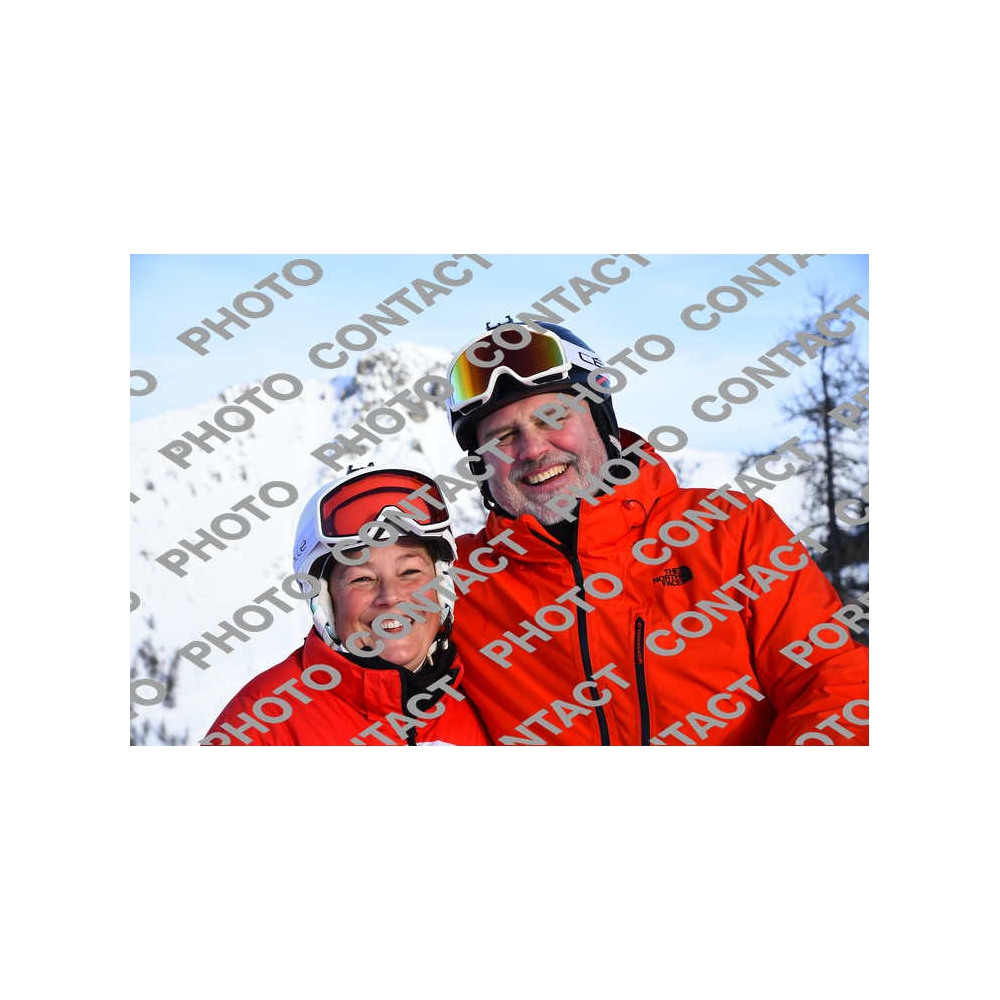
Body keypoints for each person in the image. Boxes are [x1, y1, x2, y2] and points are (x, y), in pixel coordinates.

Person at [445, 320, 869, 746]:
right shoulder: (454, 581)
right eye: (503, 437)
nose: (533, 449)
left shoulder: (729, 530)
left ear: (601, 421)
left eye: (553, 417)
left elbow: (831, 685)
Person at [202, 466, 490, 746]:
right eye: (362, 579)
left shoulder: (482, 700)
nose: (390, 596)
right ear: (326, 601)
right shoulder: (260, 726)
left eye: (410, 572)